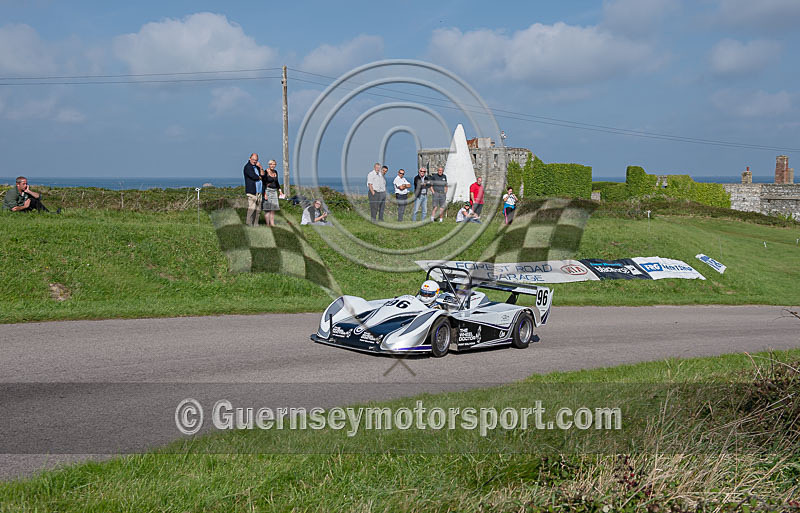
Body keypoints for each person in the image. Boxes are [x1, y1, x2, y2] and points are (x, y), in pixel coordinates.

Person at [261, 159, 283, 227]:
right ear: (269, 165)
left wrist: (280, 190)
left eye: (274, 164)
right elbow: (263, 184)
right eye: (271, 164)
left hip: (274, 191)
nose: (272, 165)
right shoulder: (266, 172)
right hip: (267, 190)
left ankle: (272, 223)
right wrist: (264, 194)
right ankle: (268, 224)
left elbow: (277, 182)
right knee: (268, 209)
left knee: (273, 208)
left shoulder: (275, 172)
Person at [243, 153, 263, 226]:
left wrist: (260, 167)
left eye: (256, 160)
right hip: (252, 191)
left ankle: (256, 224)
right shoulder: (247, 167)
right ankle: (249, 223)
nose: (254, 161)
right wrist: (259, 177)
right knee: (252, 208)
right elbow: (253, 176)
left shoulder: (257, 167)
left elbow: (263, 175)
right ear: (250, 158)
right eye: (253, 159)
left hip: (259, 191)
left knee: (258, 209)